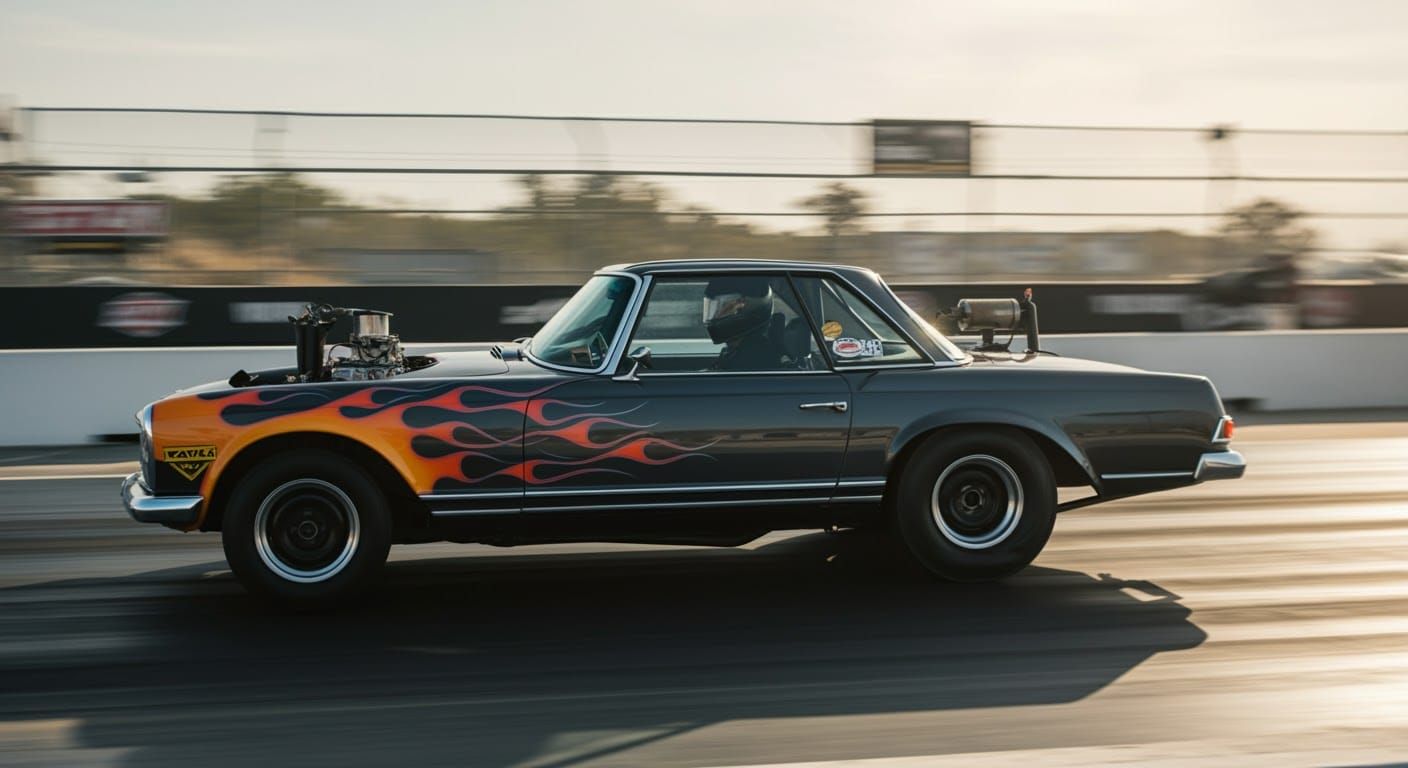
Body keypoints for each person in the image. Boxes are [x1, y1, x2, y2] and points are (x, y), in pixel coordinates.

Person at [703, 276, 779, 371]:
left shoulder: (754, 359)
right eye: (712, 307)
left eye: (721, 307)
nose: (715, 316)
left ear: (740, 307)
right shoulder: (734, 350)